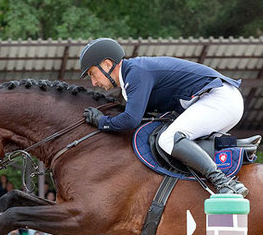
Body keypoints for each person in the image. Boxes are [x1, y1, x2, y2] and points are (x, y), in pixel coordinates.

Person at [79, 38, 247, 196]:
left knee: (168, 139)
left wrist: (102, 121)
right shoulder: (131, 77)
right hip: (219, 100)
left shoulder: (135, 73)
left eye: (93, 73)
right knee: (173, 140)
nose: (94, 83)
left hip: (219, 99)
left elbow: (131, 119)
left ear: (107, 64)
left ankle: (224, 182)